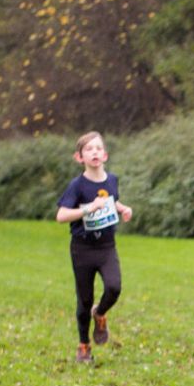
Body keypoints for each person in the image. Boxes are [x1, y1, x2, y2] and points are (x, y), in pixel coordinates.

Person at [56, 132, 133, 363]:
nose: (95, 152)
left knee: (114, 287)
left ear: (105, 155)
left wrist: (122, 208)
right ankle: (83, 346)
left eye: (98, 148)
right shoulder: (77, 185)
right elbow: (61, 215)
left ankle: (100, 314)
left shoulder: (112, 180)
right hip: (82, 248)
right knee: (84, 299)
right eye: (89, 149)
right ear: (79, 158)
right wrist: (88, 209)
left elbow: (111, 200)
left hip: (107, 247)